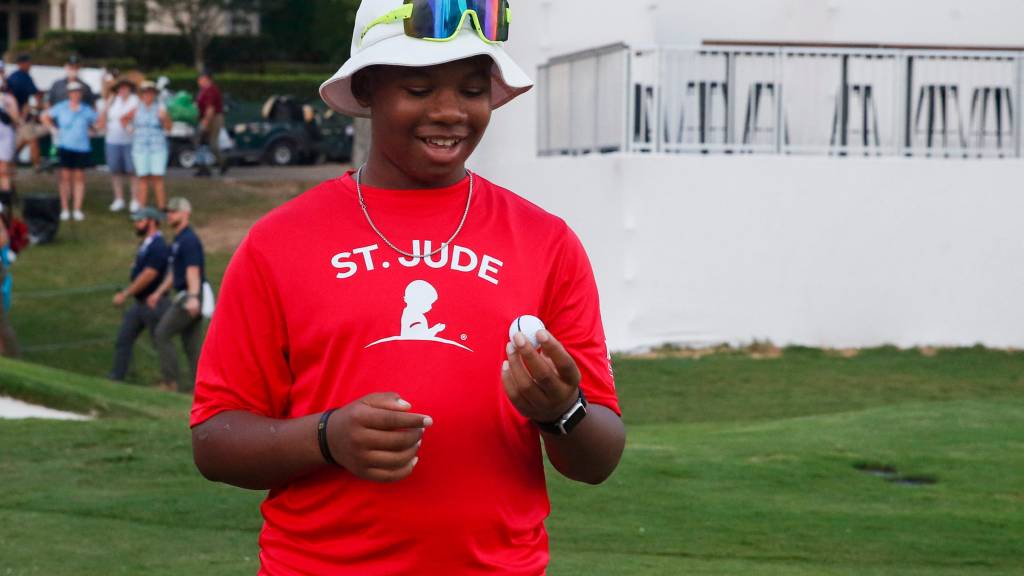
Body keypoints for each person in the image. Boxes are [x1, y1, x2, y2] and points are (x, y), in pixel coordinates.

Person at [189, 1, 626, 573]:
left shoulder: (547, 241)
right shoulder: (279, 242)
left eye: (472, 90)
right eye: (419, 89)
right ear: (367, 89)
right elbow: (216, 440)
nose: (450, 112)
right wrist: (326, 437)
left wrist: (561, 410)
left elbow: (599, 456)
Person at [149, 197, 205, 392]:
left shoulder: (189, 240)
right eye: (168, 212)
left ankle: (170, 382)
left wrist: (192, 298)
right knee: (191, 344)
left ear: (185, 214)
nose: (169, 215)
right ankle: (204, 388)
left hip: (188, 297)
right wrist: (159, 292)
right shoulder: (179, 239)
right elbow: (175, 272)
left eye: (173, 212)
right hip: (188, 295)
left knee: (162, 333)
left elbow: (193, 271)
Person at [109, 207, 171, 382]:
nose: (136, 224)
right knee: (124, 338)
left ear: (151, 222)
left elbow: (149, 274)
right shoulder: (145, 244)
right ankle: (117, 377)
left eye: (140, 221)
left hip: (154, 302)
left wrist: (126, 293)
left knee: (160, 342)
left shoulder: (158, 246)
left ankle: (170, 380)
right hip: (140, 303)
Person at [41, 82, 97, 221]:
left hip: (82, 147)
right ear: (69, 94)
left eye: (78, 92)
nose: (75, 94)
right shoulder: (61, 107)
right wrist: (53, 129)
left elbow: (97, 121)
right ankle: (65, 208)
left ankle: (77, 208)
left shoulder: (86, 109)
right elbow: (44, 116)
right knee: (64, 178)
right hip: (65, 146)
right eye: (73, 92)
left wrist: (93, 130)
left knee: (79, 178)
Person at [123, 81, 171, 210]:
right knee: (143, 178)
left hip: (157, 147)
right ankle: (142, 208)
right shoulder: (137, 109)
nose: (148, 95)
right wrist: (129, 129)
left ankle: (161, 207)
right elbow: (124, 119)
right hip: (140, 147)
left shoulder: (161, 108)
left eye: (150, 92)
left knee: (157, 177)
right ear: (142, 94)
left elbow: (168, 127)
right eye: (145, 92)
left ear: (154, 94)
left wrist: (164, 119)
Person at [96, 78, 138, 213]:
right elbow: (102, 120)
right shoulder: (113, 100)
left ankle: (135, 200)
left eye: (125, 88)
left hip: (131, 141)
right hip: (112, 140)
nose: (122, 90)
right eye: (120, 88)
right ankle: (118, 199)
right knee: (115, 171)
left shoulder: (135, 100)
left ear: (130, 89)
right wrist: (107, 105)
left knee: (132, 171)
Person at [7, 54, 44, 172]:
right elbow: (35, 93)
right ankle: (37, 165)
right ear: (23, 64)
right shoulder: (23, 77)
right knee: (31, 138)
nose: (30, 65)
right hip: (21, 114)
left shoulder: (13, 77)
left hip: (13, 114)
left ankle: (11, 159)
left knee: (25, 138)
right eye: (28, 63)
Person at [193, 70, 227, 176]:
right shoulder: (204, 90)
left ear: (206, 79)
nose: (198, 81)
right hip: (206, 118)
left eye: (200, 79)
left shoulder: (210, 90)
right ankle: (204, 167)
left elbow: (210, 108)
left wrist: (206, 122)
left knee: (211, 144)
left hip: (213, 118)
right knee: (202, 143)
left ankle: (222, 163)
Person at [0, 75, 20, 206]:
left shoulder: (9, 99)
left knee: (3, 168)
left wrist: (6, 107)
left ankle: (5, 199)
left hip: (5, 136)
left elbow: (16, 120)